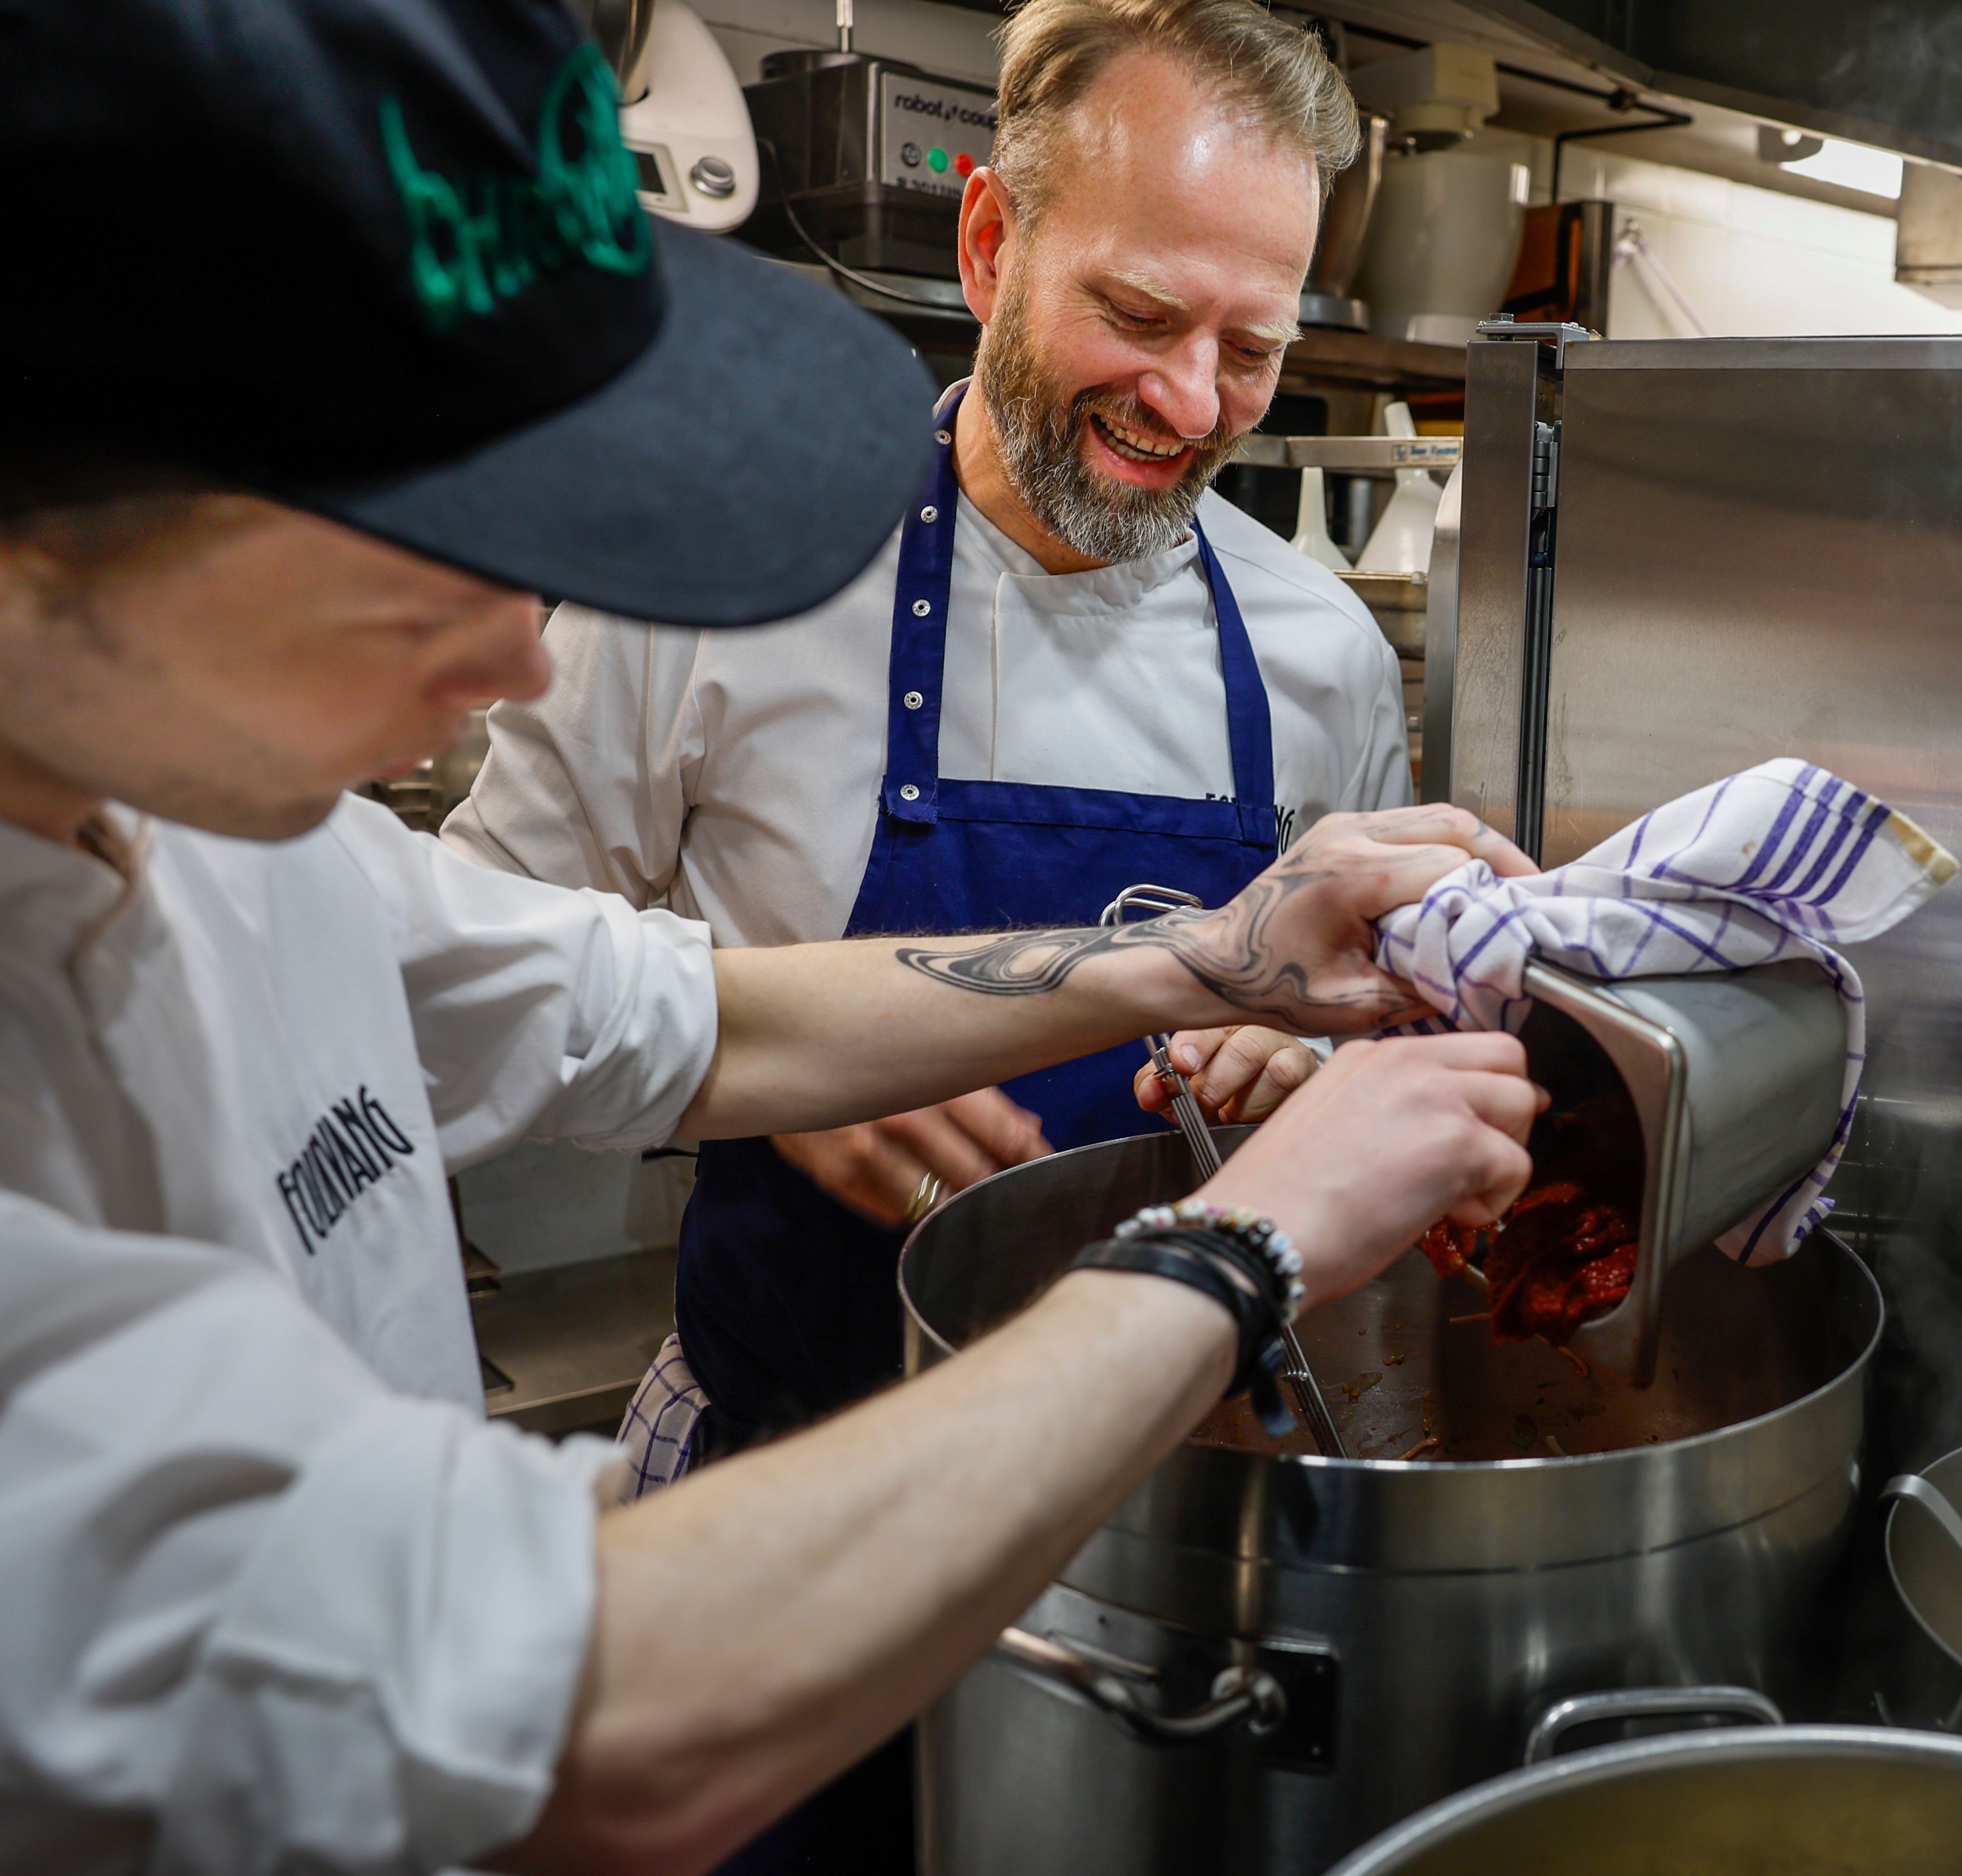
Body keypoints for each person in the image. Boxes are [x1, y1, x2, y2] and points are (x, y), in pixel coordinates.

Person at [0, 4, 1537, 1872]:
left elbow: (666, 1009)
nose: (515, 658)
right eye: (425, 551)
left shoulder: (262, 843)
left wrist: (1214, 967)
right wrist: (1246, 1245)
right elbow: (571, 1715)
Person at [443, 3, 1410, 1545]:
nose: (1190, 402)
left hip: (1167, 1520)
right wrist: (748, 1074)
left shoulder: (1326, 655)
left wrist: (1295, 1080)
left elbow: (1369, 1037)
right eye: (1144, 316)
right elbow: (460, 978)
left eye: (1254, 351)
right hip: (775, 1480)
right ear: (986, 246)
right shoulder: (718, 576)